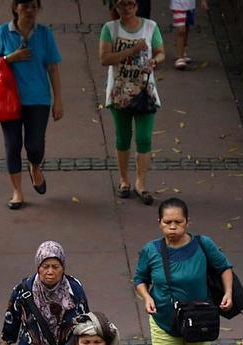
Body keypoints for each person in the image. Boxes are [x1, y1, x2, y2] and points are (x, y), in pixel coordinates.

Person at [134, 198, 234, 345]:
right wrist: (147, 297)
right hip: (164, 320)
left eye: (178, 222)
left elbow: (224, 267)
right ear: (159, 223)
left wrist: (228, 292)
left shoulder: (202, 244)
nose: (172, 227)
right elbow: (140, 279)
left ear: (188, 222)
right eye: (167, 222)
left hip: (199, 320)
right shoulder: (152, 250)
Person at [0, 0, 63, 210]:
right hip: (8, 99)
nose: (30, 11)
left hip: (38, 98)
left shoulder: (45, 34)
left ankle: (35, 166)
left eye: (34, 7)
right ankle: (17, 191)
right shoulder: (3, 32)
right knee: (12, 145)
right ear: (15, 8)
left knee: (35, 146)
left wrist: (58, 100)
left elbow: (53, 68)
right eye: (25, 6)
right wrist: (10, 58)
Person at [100, 0, 166, 205]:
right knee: (123, 137)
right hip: (120, 91)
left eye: (130, 4)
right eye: (121, 5)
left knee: (145, 138)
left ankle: (141, 182)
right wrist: (134, 49)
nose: (126, 9)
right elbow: (105, 58)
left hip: (145, 90)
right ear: (116, 8)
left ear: (137, 6)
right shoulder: (109, 29)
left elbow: (160, 51)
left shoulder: (150, 26)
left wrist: (156, 60)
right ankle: (123, 180)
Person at [170, 0, 209, 70]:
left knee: (186, 27)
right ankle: (180, 57)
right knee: (181, 30)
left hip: (190, 5)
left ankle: (182, 51)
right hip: (177, 4)